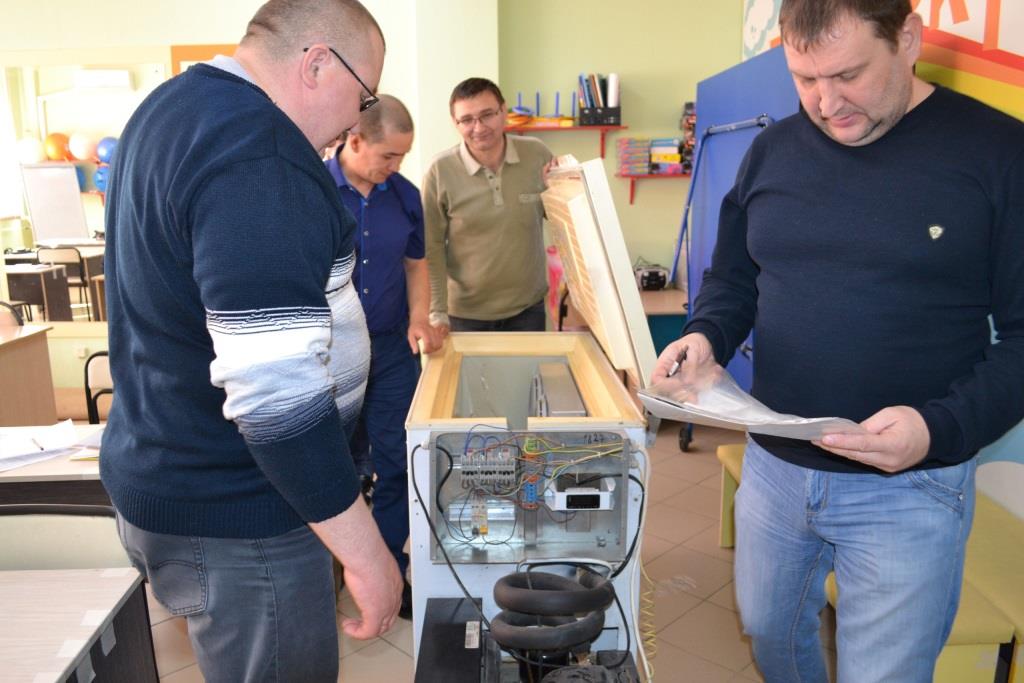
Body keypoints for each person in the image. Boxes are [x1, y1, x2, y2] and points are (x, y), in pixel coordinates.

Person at [652, 2, 1024, 681]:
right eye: (805, 79)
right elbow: (734, 276)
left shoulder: (998, 152)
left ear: (907, 39)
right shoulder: (773, 150)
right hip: (774, 465)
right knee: (769, 636)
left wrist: (936, 429)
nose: (826, 104)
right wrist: (707, 336)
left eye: (848, 75)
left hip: (910, 487)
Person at [101, 1, 403, 680]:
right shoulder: (261, 154)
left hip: (170, 469)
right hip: (242, 510)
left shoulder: (173, 106)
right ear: (318, 63)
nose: (356, 122)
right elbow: (277, 398)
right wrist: (367, 556)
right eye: (364, 97)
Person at [325, 94, 439, 619]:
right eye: (388, 155)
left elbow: (416, 265)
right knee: (334, 469)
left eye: (402, 156)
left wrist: (420, 317)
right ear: (354, 140)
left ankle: (389, 570)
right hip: (329, 355)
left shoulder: (405, 196)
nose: (396, 166)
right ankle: (333, 572)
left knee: (398, 464)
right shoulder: (313, 190)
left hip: (392, 349)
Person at [422, 77, 554, 333]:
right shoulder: (439, 170)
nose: (478, 127)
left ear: (503, 111)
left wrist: (563, 189)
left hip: (528, 309)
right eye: (467, 120)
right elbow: (431, 246)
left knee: (528, 364)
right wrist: (437, 311)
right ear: (455, 123)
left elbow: (560, 219)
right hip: (464, 315)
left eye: (487, 115)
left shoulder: (536, 154)